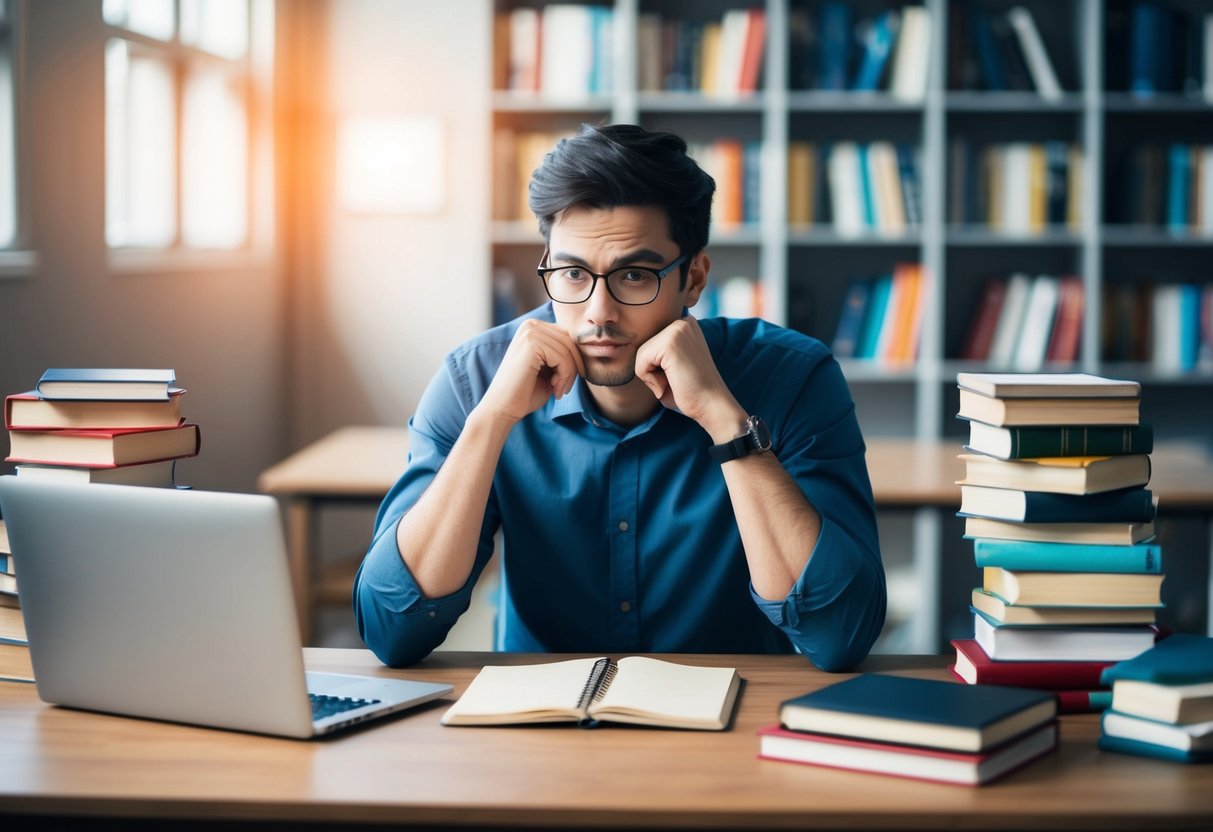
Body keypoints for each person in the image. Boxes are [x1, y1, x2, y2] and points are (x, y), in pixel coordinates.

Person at [354, 123, 886, 670]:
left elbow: (839, 634)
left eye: (634, 275)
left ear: (694, 278)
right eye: (572, 273)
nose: (599, 313)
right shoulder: (476, 379)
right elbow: (391, 629)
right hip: (538, 727)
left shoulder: (792, 377)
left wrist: (726, 422)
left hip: (733, 721)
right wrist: (490, 423)